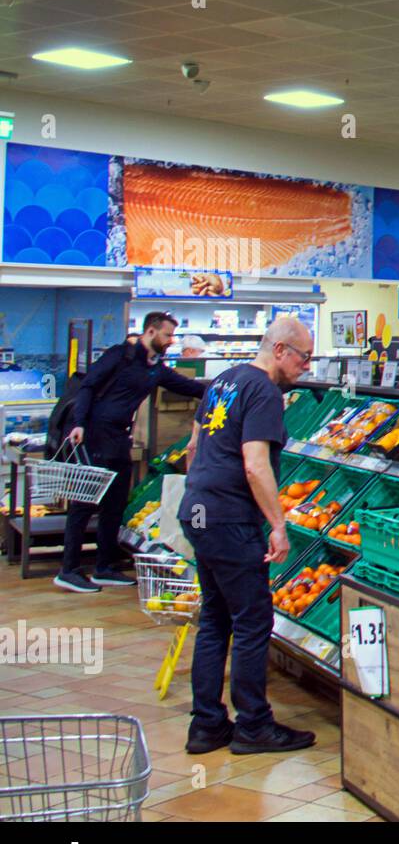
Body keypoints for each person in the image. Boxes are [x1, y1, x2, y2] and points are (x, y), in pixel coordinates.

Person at [181, 317, 317, 755]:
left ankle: (206, 726)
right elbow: (255, 464)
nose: (306, 367)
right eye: (303, 357)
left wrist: (204, 491)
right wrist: (278, 525)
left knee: (215, 618)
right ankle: (254, 725)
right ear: (280, 350)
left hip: (198, 511)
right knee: (253, 620)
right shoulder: (264, 392)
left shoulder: (222, 381)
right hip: (229, 518)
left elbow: (193, 449)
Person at [56, 312, 206, 593]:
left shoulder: (155, 368)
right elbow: (88, 386)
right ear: (150, 332)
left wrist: (223, 391)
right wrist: (78, 424)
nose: (171, 341)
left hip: (119, 439)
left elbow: (187, 386)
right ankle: (69, 569)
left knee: (114, 504)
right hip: (94, 435)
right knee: (83, 505)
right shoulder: (119, 356)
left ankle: (104, 567)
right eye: (167, 335)